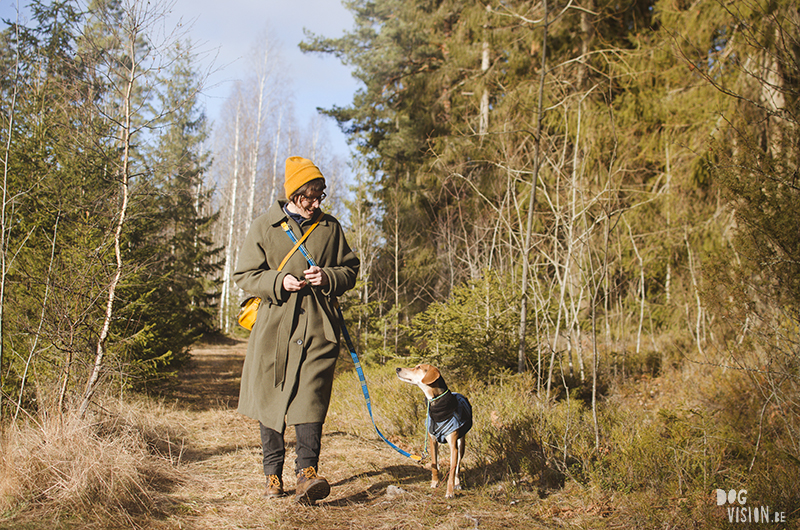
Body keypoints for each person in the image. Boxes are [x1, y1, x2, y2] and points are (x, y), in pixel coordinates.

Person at [233, 156, 360, 504]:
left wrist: (329, 277)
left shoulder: (331, 227)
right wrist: (278, 281)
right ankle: (272, 474)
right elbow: (244, 274)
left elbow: (350, 269)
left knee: (311, 398)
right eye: (310, 196)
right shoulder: (264, 226)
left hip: (319, 327)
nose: (317, 202)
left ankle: (307, 474)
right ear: (294, 193)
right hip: (274, 328)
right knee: (271, 400)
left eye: (320, 195)